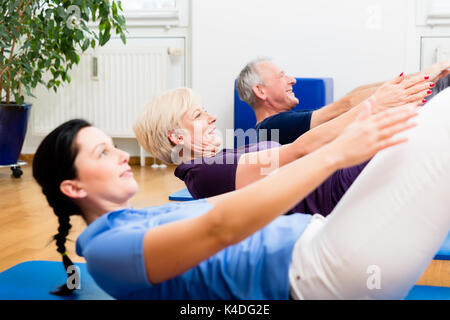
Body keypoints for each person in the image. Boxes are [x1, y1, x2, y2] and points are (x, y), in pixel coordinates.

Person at [32, 88, 450, 299]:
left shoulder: (136, 220)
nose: (122, 155)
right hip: (325, 269)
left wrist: (348, 141)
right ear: (74, 187)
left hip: (329, 239)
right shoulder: (106, 252)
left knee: (435, 120)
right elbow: (221, 228)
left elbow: (226, 207)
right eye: (103, 152)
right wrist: (338, 152)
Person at [133, 77, 430, 216]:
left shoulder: (215, 162)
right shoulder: (206, 172)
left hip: (345, 177)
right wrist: (375, 106)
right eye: (198, 115)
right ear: (178, 138)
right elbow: (298, 152)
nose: (211, 117)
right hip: (343, 188)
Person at [236, 58, 450, 144]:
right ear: (260, 92)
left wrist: (423, 75)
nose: (292, 79)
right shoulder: (271, 128)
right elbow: (346, 106)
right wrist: (426, 75)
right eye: (282, 75)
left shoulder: (286, 120)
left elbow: (352, 97)